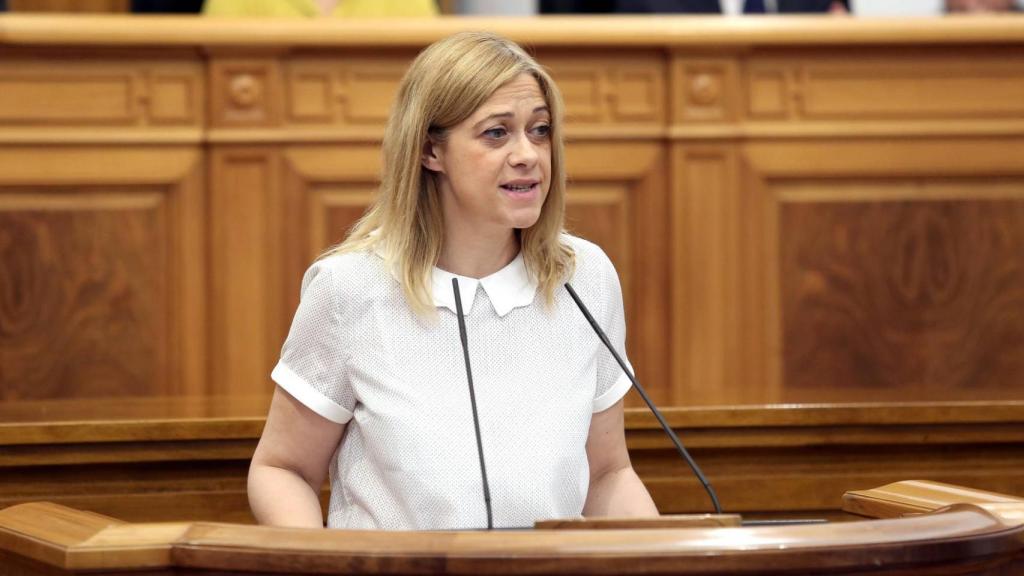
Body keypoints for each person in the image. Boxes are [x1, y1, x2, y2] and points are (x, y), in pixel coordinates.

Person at [248, 31, 660, 531]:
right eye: (496, 133)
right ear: (430, 151)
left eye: (540, 130)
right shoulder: (349, 288)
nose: (528, 154)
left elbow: (607, 475)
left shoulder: (584, 278)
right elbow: (283, 469)